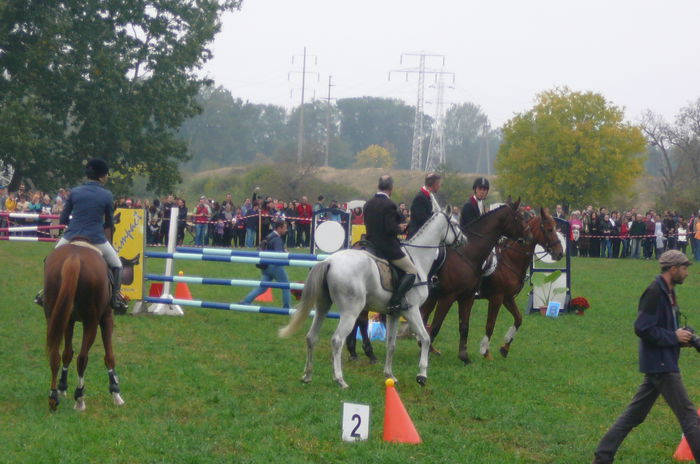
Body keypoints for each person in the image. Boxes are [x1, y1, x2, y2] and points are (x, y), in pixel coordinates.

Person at [592, 250, 699, 464]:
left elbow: (662, 329)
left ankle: (602, 456)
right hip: (661, 365)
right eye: (684, 268)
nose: (687, 273)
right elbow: (642, 328)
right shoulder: (655, 292)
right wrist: (673, 336)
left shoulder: (668, 292)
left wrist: (686, 337)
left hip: (660, 362)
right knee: (689, 417)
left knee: (635, 415)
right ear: (673, 269)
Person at [34, 158, 127, 312]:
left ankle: (46, 293)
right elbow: (109, 223)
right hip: (96, 238)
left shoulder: (75, 191)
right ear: (102, 176)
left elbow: (63, 219)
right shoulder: (107, 195)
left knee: (50, 259)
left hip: (71, 235)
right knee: (117, 265)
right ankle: (115, 297)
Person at [363, 175, 417, 313]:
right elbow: (390, 229)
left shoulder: (368, 203)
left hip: (370, 244)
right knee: (412, 270)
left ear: (378, 186)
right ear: (391, 188)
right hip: (387, 247)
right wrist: (402, 228)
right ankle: (395, 301)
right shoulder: (390, 204)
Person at [239, 219, 291, 308]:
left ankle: (246, 302)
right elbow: (279, 254)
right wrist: (286, 253)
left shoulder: (269, 236)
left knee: (262, 288)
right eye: (284, 228)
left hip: (266, 266)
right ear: (279, 228)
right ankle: (287, 307)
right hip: (275, 266)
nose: (286, 230)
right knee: (286, 286)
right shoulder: (277, 239)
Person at [407, 172, 442, 238]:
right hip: (417, 238)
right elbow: (421, 219)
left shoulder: (429, 197)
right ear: (434, 184)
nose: (440, 186)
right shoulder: (420, 198)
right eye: (439, 184)